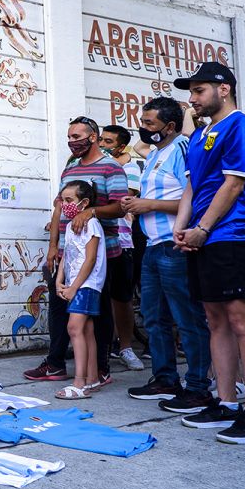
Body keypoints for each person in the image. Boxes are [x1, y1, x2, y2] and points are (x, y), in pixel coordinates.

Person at [172, 61, 245, 444]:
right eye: (192, 92)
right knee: (214, 321)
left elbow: (233, 185)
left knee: (242, 321)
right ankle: (227, 402)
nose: (193, 99)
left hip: (232, 235)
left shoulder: (241, 125)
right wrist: (180, 231)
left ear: (223, 89)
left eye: (199, 91)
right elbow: (191, 190)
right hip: (202, 239)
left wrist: (203, 228)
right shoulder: (199, 137)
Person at [121, 97, 212, 412]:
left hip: (175, 246)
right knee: (154, 317)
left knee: (187, 318)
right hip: (152, 246)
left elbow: (196, 198)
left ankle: (199, 386)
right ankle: (165, 379)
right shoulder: (157, 153)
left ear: (170, 126)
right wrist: (137, 205)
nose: (143, 129)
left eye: (149, 124)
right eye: (143, 122)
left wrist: (149, 205)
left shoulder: (183, 149)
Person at [24, 116, 127, 386]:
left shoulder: (111, 168)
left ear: (93, 137)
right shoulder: (70, 167)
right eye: (69, 137)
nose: (72, 142)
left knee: (99, 311)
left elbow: (121, 207)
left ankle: (100, 369)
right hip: (67, 252)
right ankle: (55, 363)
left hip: (101, 252)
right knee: (59, 306)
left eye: (77, 137)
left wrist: (91, 210)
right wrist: (53, 246)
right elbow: (59, 207)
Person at [54, 180, 106, 399]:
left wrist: (74, 287)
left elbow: (91, 258)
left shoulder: (91, 224)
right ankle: (92, 379)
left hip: (87, 284)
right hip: (76, 283)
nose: (65, 205)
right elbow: (66, 254)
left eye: (69, 200)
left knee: (74, 328)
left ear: (84, 203)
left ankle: (79, 382)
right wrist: (59, 281)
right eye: (63, 200)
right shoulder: (69, 226)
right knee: (85, 330)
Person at [99, 125, 144, 371]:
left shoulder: (130, 169)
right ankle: (104, 345)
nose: (103, 144)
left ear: (121, 146)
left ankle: (126, 347)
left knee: (122, 297)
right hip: (96, 239)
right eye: (101, 139)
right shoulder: (97, 165)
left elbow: (122, 200)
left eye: (108, 141)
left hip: (122, 240)